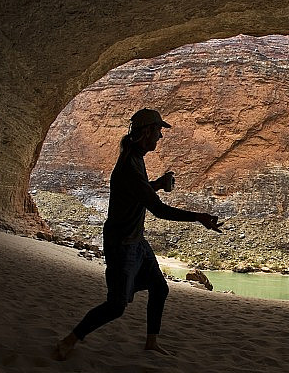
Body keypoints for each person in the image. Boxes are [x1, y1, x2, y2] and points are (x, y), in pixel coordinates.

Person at [54, 108, 220, 360]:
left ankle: (151, 342)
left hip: (136, 242)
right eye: (157, 132)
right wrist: (199, 217)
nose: (160, 137)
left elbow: (138, 193)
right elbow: (158, 210)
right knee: (116, 306)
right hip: (122, 245)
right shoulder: (130, 166)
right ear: (145, 133)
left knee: (159, 289)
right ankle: (70, 340)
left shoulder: (135, 158)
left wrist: (157, 185)